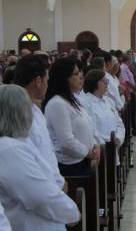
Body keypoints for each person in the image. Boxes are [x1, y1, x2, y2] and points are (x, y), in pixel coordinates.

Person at [0, 84, 80, 231]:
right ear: (18, 112)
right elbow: (38, 195)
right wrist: (71, 211)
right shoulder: (8, 148)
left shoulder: (19, 142)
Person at [14, 55, 65, 189]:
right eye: (46, 80)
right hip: (38, 190)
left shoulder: (36, 111)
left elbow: (47, 151)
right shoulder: (19, 115)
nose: (47, 85)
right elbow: (31, 159)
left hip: (51, 186)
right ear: (38, 81)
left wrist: (59, 181)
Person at [44, 58, 100, 176]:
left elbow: (88, 125)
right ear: (64, 78)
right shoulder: (57, 104)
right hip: (70, 165)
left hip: (83, 159)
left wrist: (95, 144)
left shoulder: (74, 99)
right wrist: (88, 152)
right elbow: (66, 141)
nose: (81, 77)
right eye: (76, 73)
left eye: (80, 72)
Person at [81, 69, 125, 164]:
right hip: (99, 150)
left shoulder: (109, 101)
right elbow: (91, 129)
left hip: (113, 148)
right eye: (104, 81)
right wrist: (107, 143)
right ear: (94, 83)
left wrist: (118, 139)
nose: (107, 84)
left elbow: (119, 123)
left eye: (107, 81)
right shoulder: (85, 103)